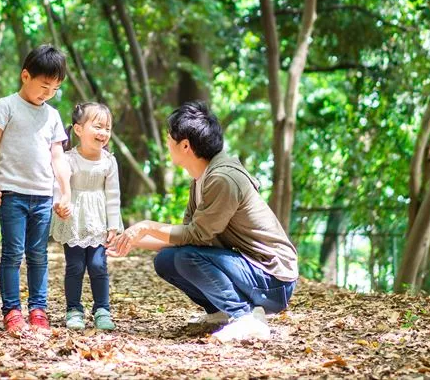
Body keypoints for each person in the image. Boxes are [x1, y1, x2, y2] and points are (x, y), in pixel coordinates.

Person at [109, 101, 298, 343]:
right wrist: (128, 241)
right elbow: (184, 238)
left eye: (170, 138)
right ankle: (221, 313)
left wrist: (148, 226)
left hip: (273, 280)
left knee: (186, 257)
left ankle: (245, 318)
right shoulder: (201, 179)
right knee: (167, 261)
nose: (167, 143)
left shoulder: (223, 178)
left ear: (185, 145)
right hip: (251, 271)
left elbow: (195, 236)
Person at [0, 44, 73, 334]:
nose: (48, 93)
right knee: (12, 253)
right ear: (25, 76)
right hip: (12, 193)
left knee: (38, 255)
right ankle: (11, 311)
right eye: (44, 85)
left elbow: (58, 156)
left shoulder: (53, 116)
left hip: (43, 196)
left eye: (55, 88)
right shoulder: (6, 106)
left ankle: (38, 309)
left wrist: (65, 193)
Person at [50, 102, 123, 331]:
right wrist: (59, 205)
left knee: (98, 265)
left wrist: (113, 226)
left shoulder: (109, 161)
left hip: (98, 221)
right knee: (75, 266)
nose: (103, 133)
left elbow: (113, 195)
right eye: (98, 126)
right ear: (79, 129)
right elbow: (58, 186)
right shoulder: (69, 159)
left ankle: (102, 309)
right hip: (74, 221)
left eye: (107, 128)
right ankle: (73, 309)